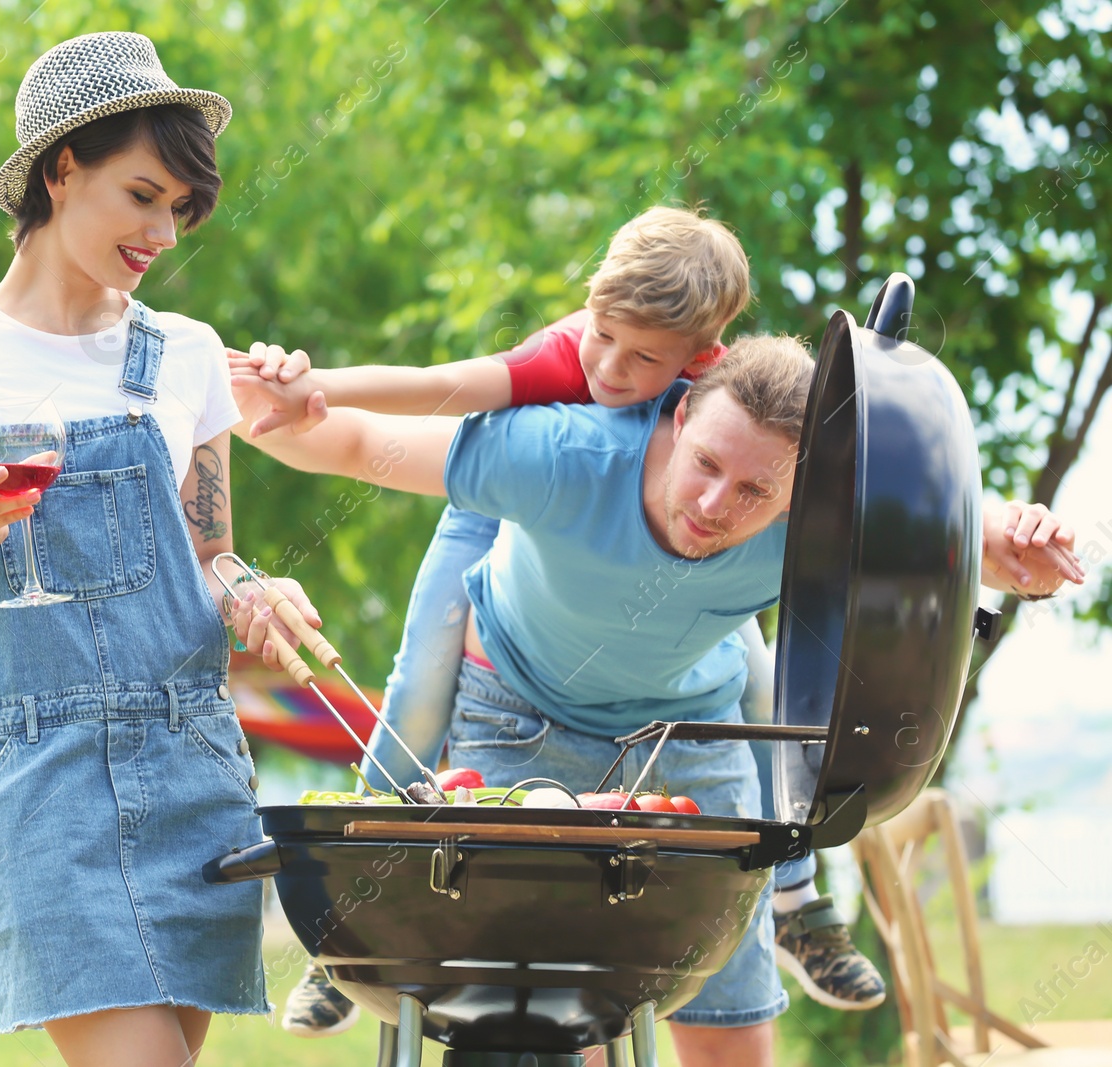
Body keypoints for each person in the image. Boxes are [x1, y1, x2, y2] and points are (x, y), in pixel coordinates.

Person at [229, 333, 1082, 1067]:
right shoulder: (562, 454)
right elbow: (351, 444)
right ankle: (353, 932)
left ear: (803, 494)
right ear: (677, 419)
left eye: (755, 492)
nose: (715, 505)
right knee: (558, 1018)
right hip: (522, 714)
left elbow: (957, 535)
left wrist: (1019, 544)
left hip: (688, 738)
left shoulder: (816, 515)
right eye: (707, 464)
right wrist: (245, 400)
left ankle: (796, 903)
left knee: (730, 1025)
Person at [234, 208, 882, 1031]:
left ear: (700, 362)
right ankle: (361, 902)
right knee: (422, 676)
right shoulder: (565, 376)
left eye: (643, 356)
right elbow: (443, 387)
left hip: (676, 579)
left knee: (763, 686)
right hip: (501, 498)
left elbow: (893, 505)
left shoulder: (736, 425)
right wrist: (311, 389)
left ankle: (795, 896)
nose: (609, 365)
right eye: (599, 333)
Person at [0, 32, 318, 1067]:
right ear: (62, 168)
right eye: (142, 194)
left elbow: (210, 557)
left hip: (187, 755)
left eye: (180, 209)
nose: (164, 230)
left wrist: (257, 589)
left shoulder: (184, 352)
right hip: (27, 769)